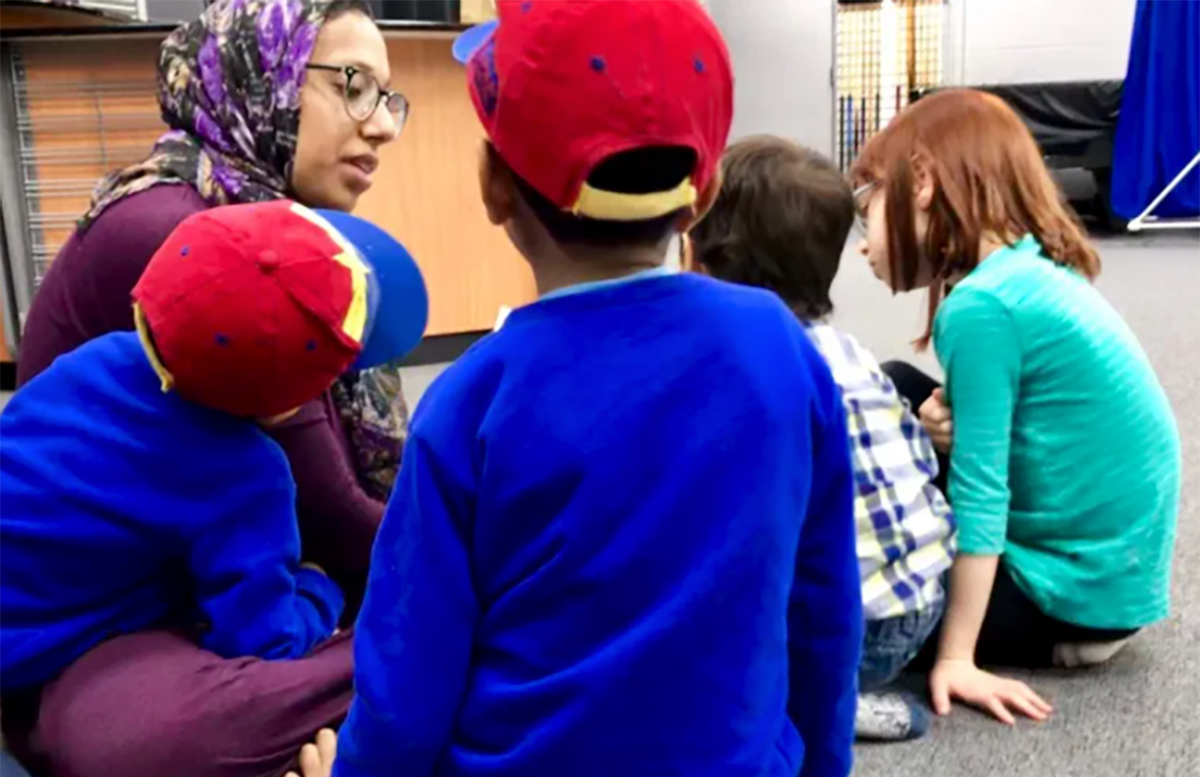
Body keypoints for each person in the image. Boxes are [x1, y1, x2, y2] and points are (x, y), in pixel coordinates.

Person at [327, 2, 862, 777]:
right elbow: (823, 612)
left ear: (493, 189)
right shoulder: (780, 346)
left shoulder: (472, 400)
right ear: (701, 197)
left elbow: (404, 688)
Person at [0, 200, 427, 777]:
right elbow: (264, 640)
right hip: (25, 661)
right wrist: (316, 590)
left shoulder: (91, 361)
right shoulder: (246, 476)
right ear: (291, 406)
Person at [15, 0, 408, 621]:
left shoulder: (238, 206)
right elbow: (331, 516)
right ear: (262, 79)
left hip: (192, 550)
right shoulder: (196, 238)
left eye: (388, 98)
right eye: (353, 87)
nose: (382, 125)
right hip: (88, 617)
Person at [852, 89, 1181, 725]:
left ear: (921, 182)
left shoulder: (981, 308)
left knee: (851, 598)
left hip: (1065, 596)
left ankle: (1022, 636)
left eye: (870, 214)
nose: (865, 245)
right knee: (892, 385)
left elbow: (983, 491)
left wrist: (956, 659)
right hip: (1108, 576)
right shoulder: (1025, 269)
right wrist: (950, 427)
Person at [688, 136, 955, 743]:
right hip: (920, 600)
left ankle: (830, 701)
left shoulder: (749, 374)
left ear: (703, 256)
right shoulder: (845, 352)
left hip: (857, 632)